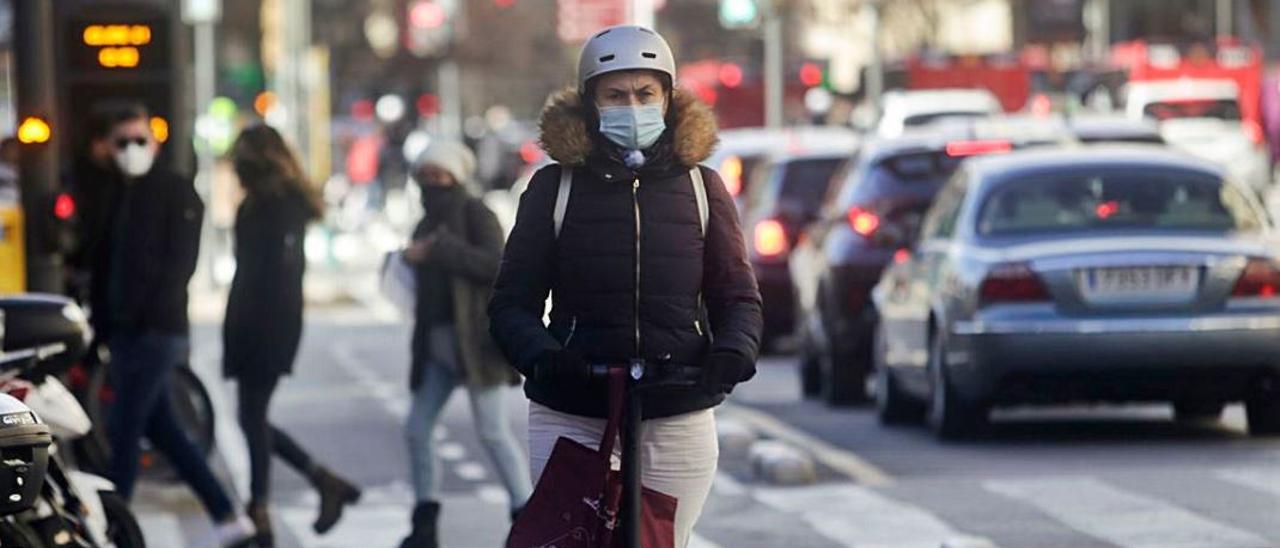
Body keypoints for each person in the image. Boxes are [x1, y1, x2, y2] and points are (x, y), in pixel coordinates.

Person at [488, 25, 763, 548]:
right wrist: (544, 355)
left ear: (667, 98)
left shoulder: (700, 188)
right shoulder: (554, 187)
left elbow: (737, 295)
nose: (630, 107)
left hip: (676, 406)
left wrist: (733, 349)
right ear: (591, 102)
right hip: (573, 409)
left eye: (644, 94)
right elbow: (510, 303)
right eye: (615, 95)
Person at [96, 102, 255, 545]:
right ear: (110, 146)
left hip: (157, 330)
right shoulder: (119, 192)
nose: (131, 149)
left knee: (124, 428)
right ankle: (228, 517)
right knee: (161, 427)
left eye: (139, 140)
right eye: (122, 142)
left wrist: (143, 316)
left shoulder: (176, 191)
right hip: (128, 332)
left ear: (156, 140)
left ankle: (115, 528)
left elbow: (177, 267)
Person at [224, 125, 362, 546]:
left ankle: (263, 506)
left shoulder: (278, 205)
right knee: (252, 417)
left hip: (266, 323)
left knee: (251, 416)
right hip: (253, 320)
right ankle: (314, 484)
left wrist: (261, 327)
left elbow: (279, 276)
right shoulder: (260, 202)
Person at [399, 141, 532, 548]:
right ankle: (425, 525)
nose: (431, 184)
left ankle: (525, 514)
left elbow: (498, 266)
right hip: (437, 346)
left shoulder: (476, 212)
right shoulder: (424, 223)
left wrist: (440, 251)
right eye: (424, 177)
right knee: (417, 428)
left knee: (492, 431)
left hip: (476, 345)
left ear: (456, 177)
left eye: (438, 176)